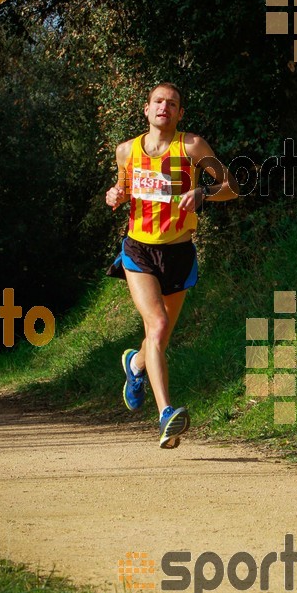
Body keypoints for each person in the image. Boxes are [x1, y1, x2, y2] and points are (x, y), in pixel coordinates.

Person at [105, 82, 238, 448]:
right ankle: (166, 415)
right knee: (158, 323)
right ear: (146, 109)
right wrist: (114, 195)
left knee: (158, 339)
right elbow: (122, 190)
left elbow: (232, 185)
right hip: (139, 251)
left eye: (173, 103)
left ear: (179, 114)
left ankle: (135, 366)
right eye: (158, 101)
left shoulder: (191, 146)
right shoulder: (126, 151)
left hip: (179, 255)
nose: (165, 107)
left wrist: (203, 192)